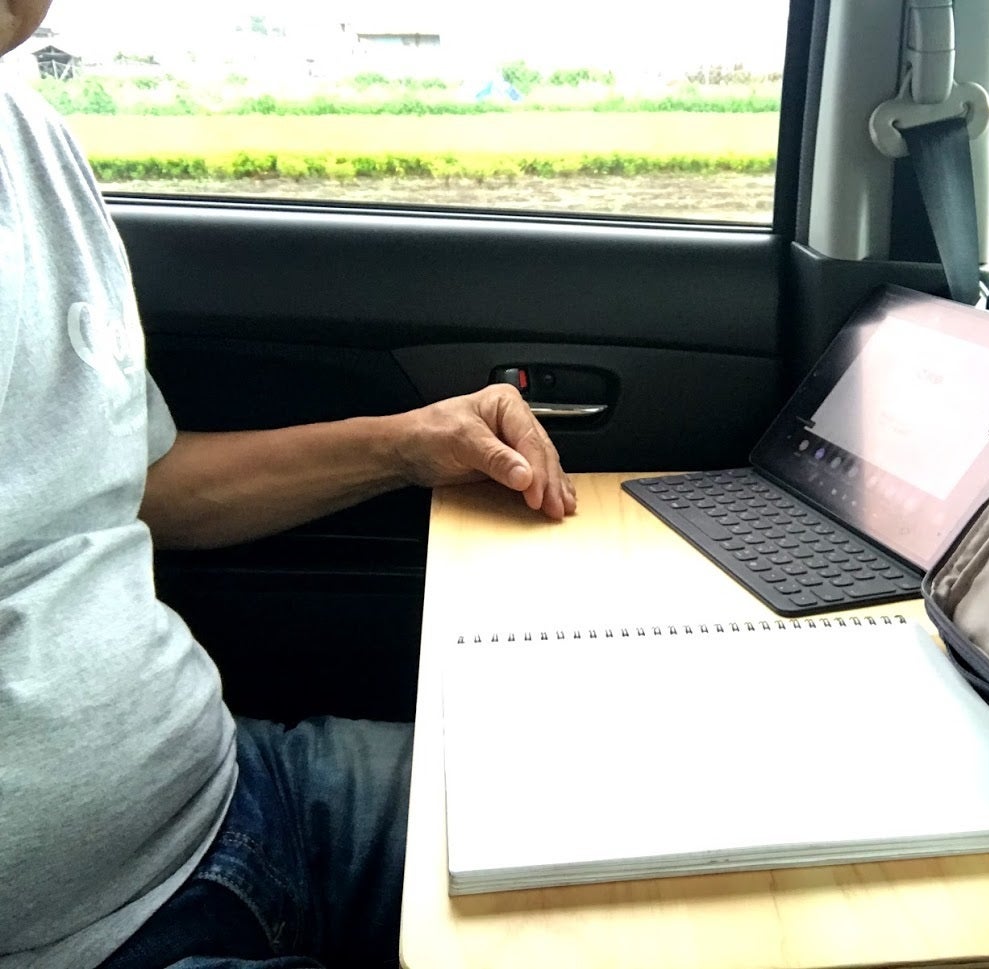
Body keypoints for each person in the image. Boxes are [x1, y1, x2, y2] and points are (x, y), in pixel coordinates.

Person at [0, 2, 577, 966]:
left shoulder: (31, 134)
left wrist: (408, 443)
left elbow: (135, 481)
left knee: (626, 809)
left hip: (230, 792)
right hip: (72, 940)